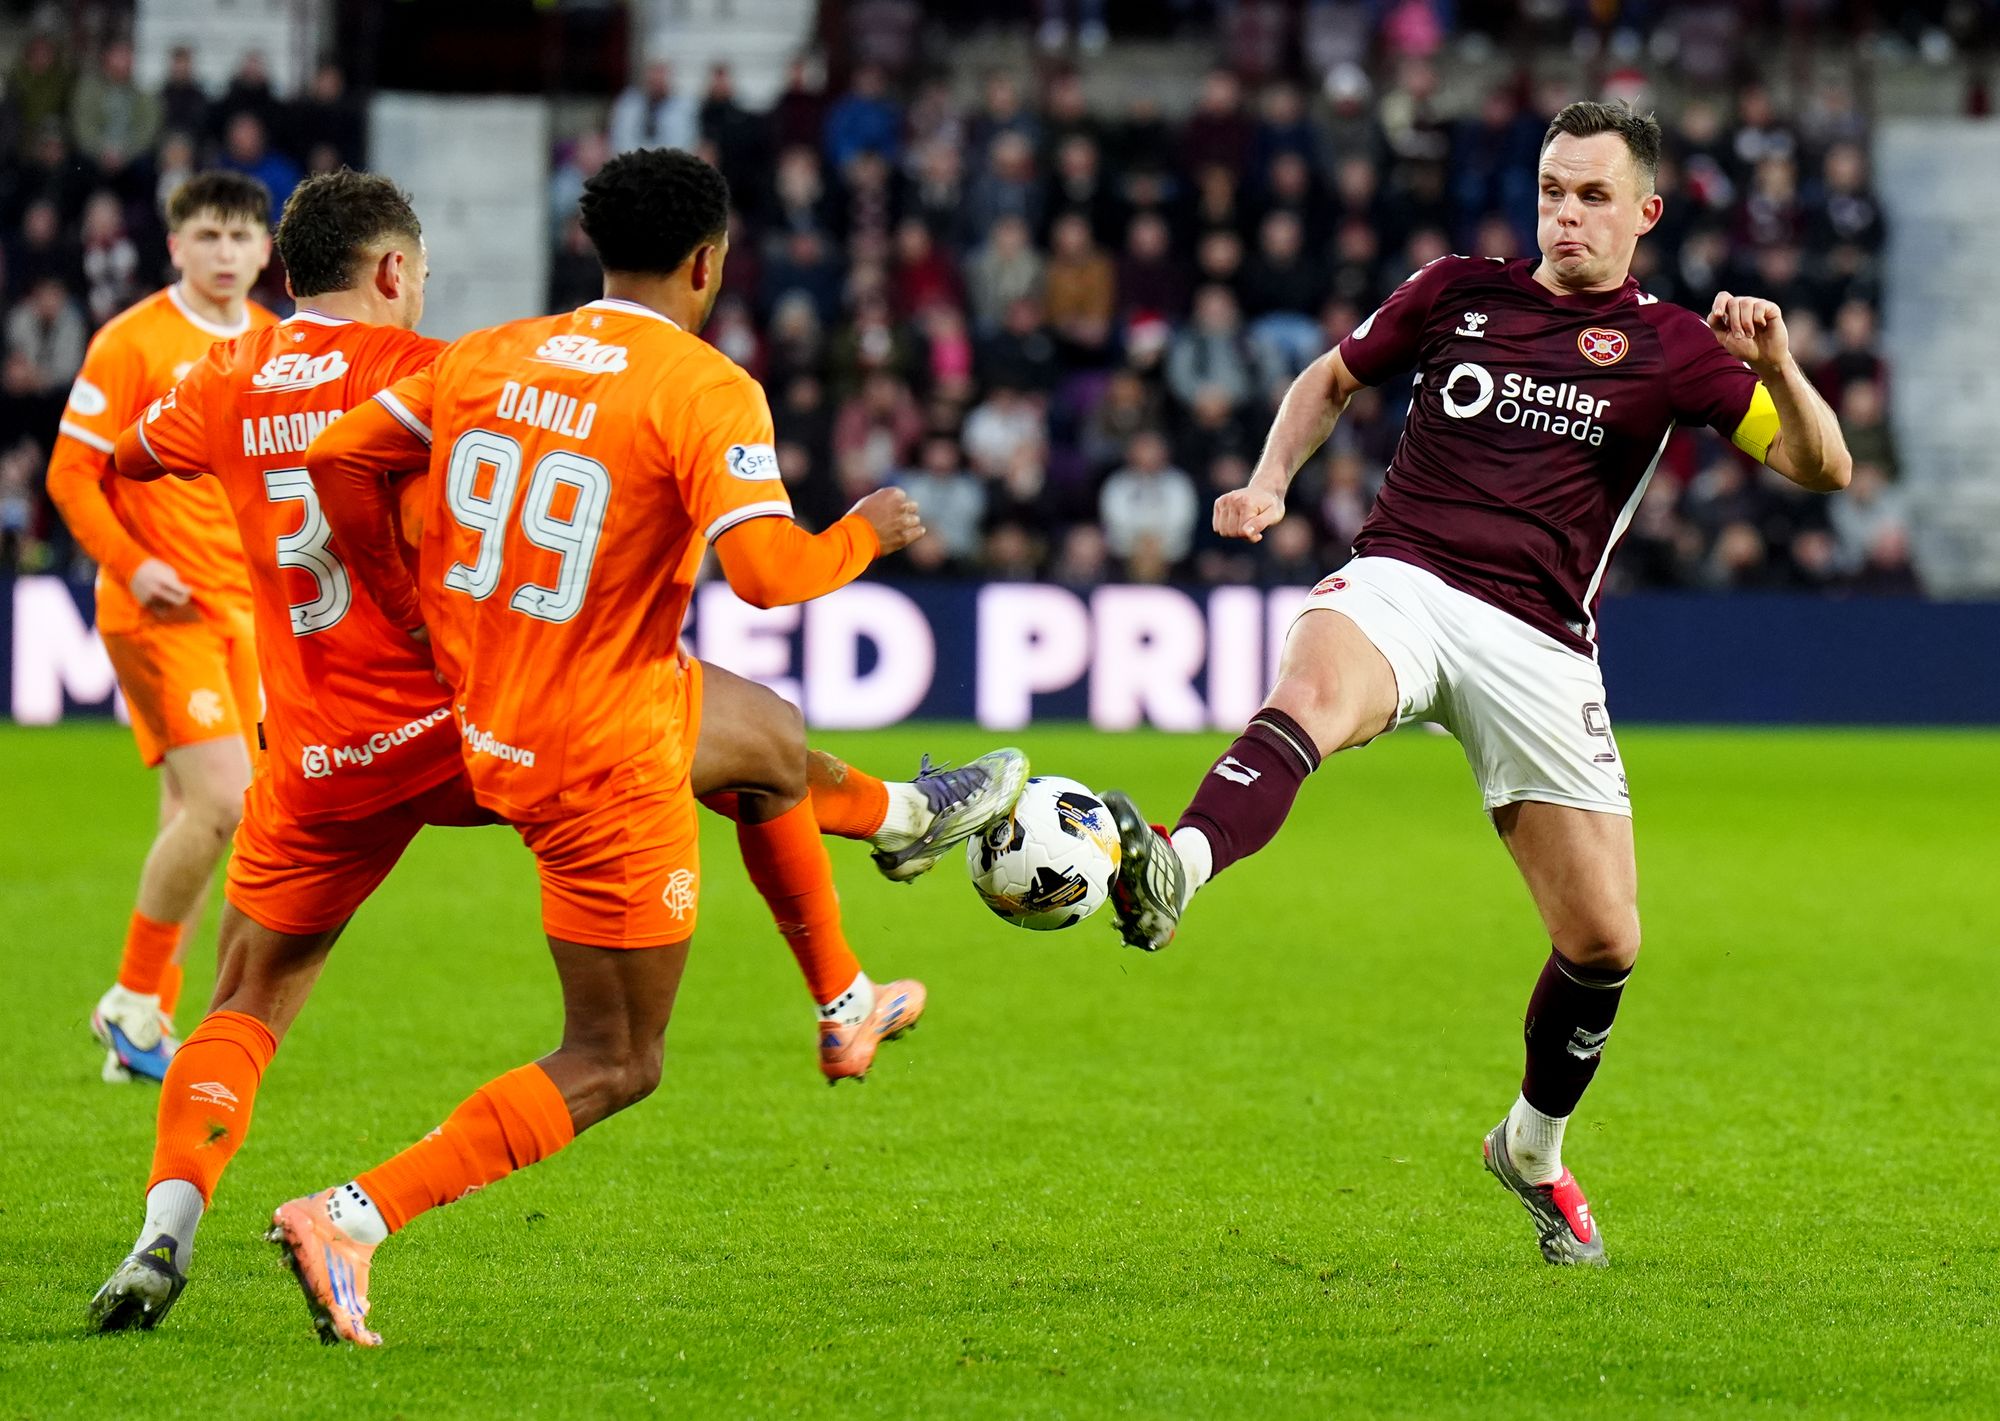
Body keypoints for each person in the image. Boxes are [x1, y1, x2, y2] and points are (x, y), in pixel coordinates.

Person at [86, 169, 1023, 1334]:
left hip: (331, 742)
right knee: (623, 1045)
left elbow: (166, 458)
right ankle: (353, 1213)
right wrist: (867, 530)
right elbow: (772, 575)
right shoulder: (486, 363)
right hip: (500, 723)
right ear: (708, 264)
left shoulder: (449, 361)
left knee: (249, 991)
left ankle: (158, 1235)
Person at [1101, 101, 1851, 1268]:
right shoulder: (1458, 287)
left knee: (1603, 941)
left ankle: (1531, 1149)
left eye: (1592, 195)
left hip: (1541, 640)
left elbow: (1823, 467)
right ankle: (1173, 865)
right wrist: (1267, 483)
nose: (1565, 213)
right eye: (1552, 188)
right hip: (1402, 577)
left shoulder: (1673, 347)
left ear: (1644, 213)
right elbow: (1329, 378)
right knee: (1308, 699)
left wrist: (1781, 367)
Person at [43, 173, 277, 1084]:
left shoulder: (273, 345)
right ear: (175, 246)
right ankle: (131, 1003)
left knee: (188, 814)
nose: (224, 253)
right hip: (154, 609)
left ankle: (144, 1036)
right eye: (207, 236)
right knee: (227, 803)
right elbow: (70, 475)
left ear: (266, 253)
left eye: (239, 238)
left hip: (247, 610)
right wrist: (131, 561)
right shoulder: (130, 341)